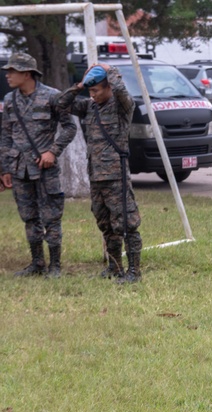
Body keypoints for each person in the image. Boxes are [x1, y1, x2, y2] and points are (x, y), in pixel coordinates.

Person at [56, 63, 143, 283]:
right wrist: (79, 86)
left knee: (126, 224)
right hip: (95, 175)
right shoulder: (90, 106)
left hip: (116, 175)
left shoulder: (122, 106)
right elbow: (61, 104)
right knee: (105, 223)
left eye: (96, 90)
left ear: (108, 88)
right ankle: (115, 268)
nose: (92, 95)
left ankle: (134, 272)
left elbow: (122, 90)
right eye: (90, 91)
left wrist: (108, 69)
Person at [2, 53, 77, 278]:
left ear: (27, 74)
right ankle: (37, 263)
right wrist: (4, 168)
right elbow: (6, 135)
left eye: (12, 71)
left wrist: (53, 151)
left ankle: (55, 266)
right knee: (29, 216)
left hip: (45, 168)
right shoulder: (9, 100)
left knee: (51, 216)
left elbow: (69, 128)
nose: (7, 75)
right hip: (19, 169)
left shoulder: (53, 96)